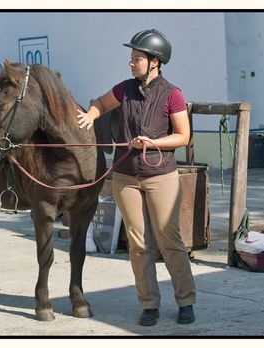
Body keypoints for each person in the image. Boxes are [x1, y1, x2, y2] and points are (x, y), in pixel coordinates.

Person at [76, 29, 196, 326]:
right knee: (138, 243)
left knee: (170, 241)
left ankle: (186, 301)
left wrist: (151, 143)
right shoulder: (124, 88)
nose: (131, 62)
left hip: (161, 176)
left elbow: (183, 136)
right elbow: (101, 103)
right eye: (131, 57)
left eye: (137, 58)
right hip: (125, 176)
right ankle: (149, 304)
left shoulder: (173, 94)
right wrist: (92, 114)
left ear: (155, 61)